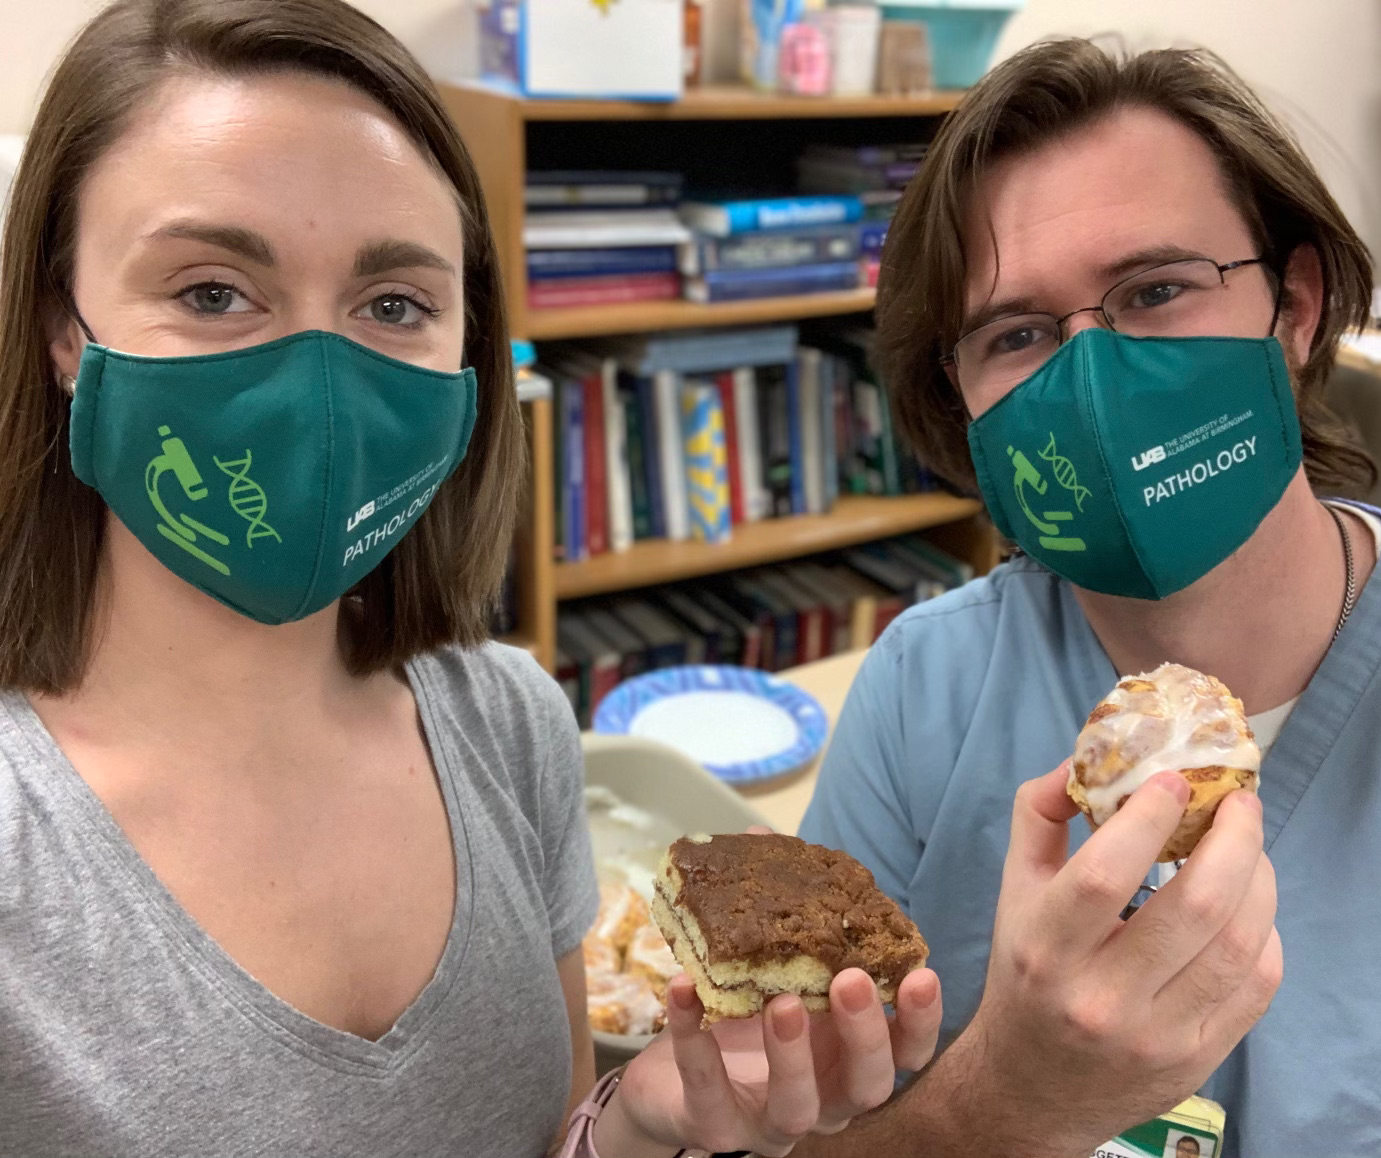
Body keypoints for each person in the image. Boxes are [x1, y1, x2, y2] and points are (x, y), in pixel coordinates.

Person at [0, 2, 940, 1155]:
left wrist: (641, 1125)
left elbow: (555, 1137)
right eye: (210, 292)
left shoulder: (508, 721)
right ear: (62, 330)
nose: (317, 389)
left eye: (394, 305)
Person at [789, 38, 1381, 1158]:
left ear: (1294, 306)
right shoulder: (921, 691)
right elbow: (796, 1132)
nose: (1094, 385)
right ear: (962, 403)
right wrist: (1007, 1100)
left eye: (1155, 291)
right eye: (1018, 335)